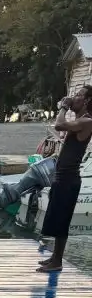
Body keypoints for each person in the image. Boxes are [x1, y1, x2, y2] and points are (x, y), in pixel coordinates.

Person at [38, 85, 92, 272]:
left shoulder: (87, 121)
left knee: (62, 220)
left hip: (69, 179)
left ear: (86, 101)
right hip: (63, 177)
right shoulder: (80, 120)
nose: (74, 97)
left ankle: (57, 262)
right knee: (57, 217)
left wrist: (63, 107)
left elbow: (59, 125)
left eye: (79, 95)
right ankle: (55, 258)